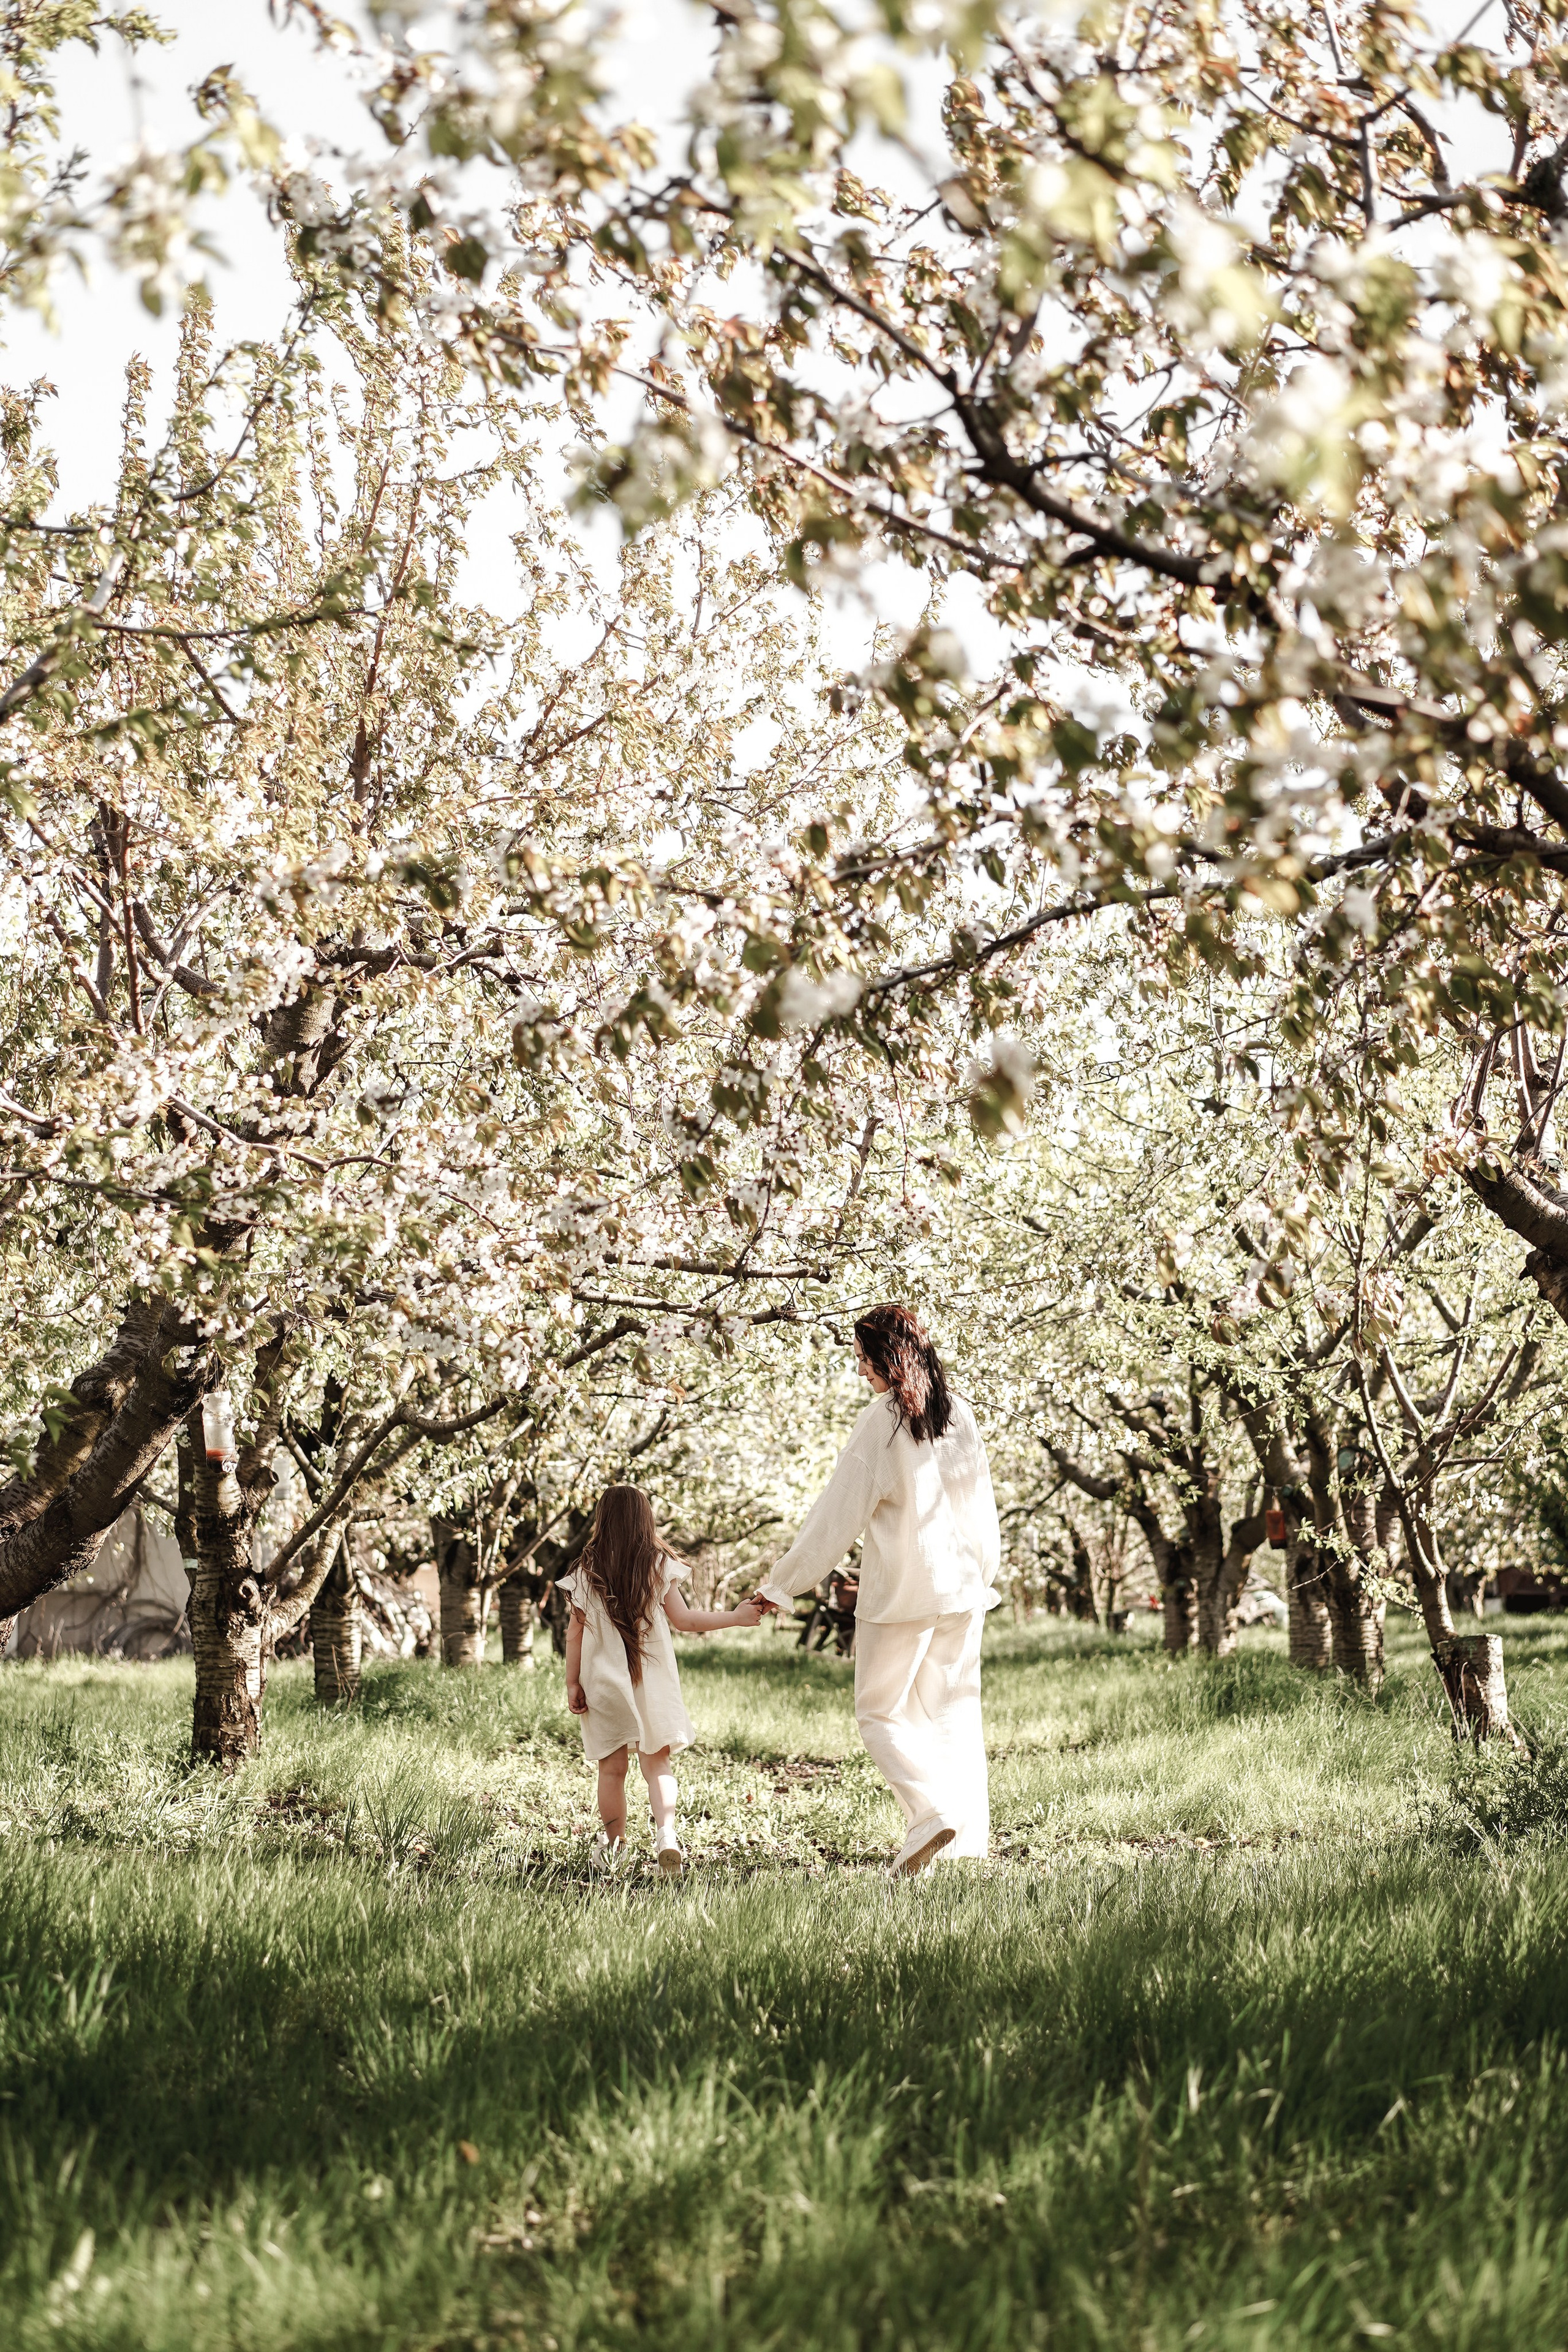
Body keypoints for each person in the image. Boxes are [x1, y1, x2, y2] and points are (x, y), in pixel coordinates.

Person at [756, 1305, 1000, 1877]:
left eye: (863, 1358)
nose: (860, 1369)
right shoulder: (957, 1413)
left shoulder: (884, 1420)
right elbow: (982, 1507)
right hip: (963, 1590)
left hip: (905, 1594)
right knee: (951, 1716)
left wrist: (784, 1584)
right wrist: (981, 1578)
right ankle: (961, 1847)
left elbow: (835, 1516)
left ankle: (929, 1813)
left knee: (878, 1713)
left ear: (885, 1357)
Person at [561, 1484, 764, 1876]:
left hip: (603, 1685)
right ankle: (667, 1836)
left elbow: (575, 1634)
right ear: (645, 1519)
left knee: (612, 1770)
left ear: (602, 1521)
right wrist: (736, 1617)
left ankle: (615, 1849)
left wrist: (573, 1683)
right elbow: (686, 1622)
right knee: (657, 1765)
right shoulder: (657, 1564)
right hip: (650, 1684)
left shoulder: (585, 1571)